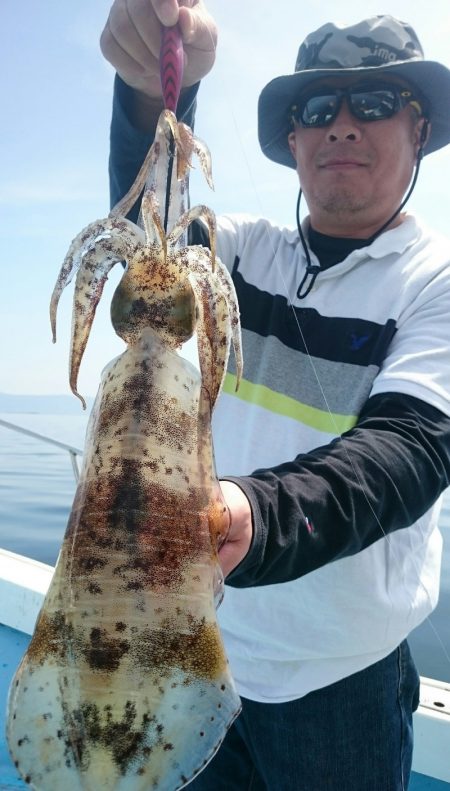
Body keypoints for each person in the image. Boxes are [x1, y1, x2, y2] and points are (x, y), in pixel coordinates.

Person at [100, 3, 450, 789]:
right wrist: (151, 94)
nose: (344, 126)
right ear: (294, 140)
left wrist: (255, 512)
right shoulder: (238, 251)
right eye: (319, 109)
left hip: (341, 684)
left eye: (377, 103)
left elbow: (409, 449)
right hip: (202, 639)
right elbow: (145, 242)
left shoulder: (436, 283)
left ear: (420, 128)